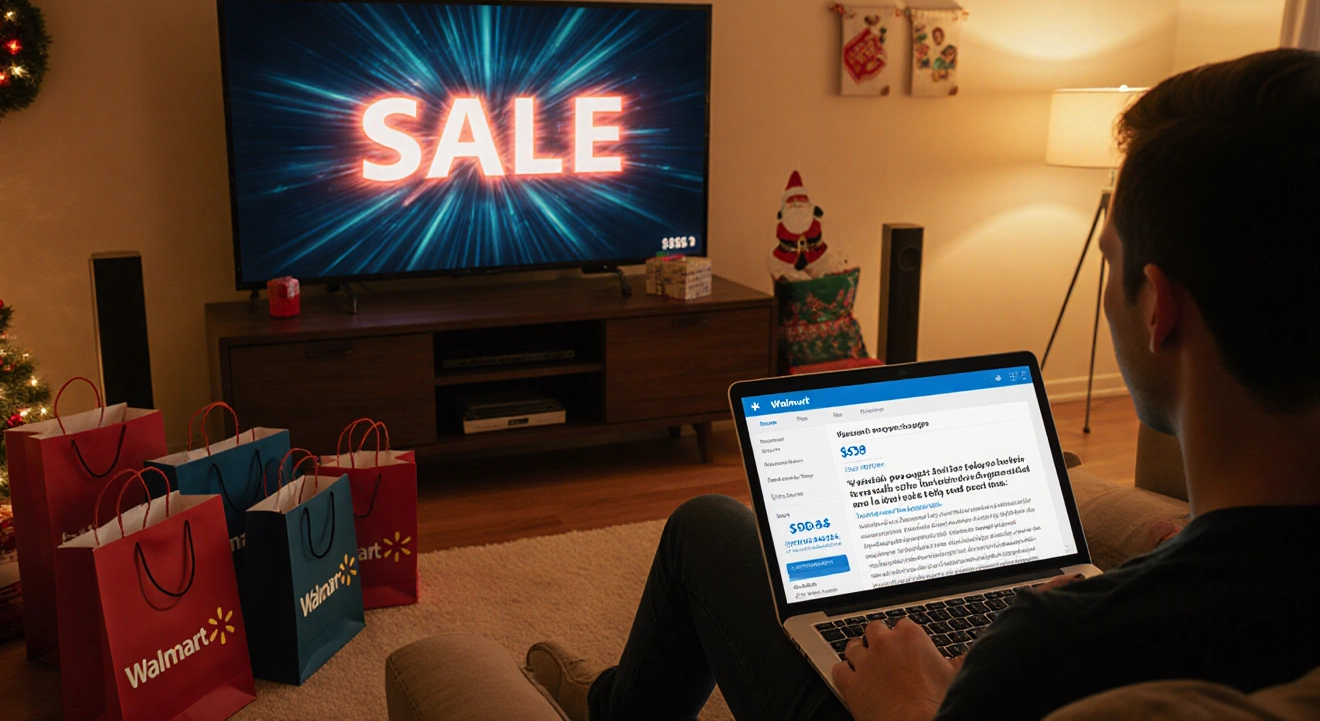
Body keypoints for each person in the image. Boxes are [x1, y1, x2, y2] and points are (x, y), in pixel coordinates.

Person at [525, 48, 1320, 721]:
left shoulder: (1047, 645)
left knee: (705, 525)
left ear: (1160, 310)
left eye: (1108, 260)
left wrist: (909, 705)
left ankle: (610, 706)